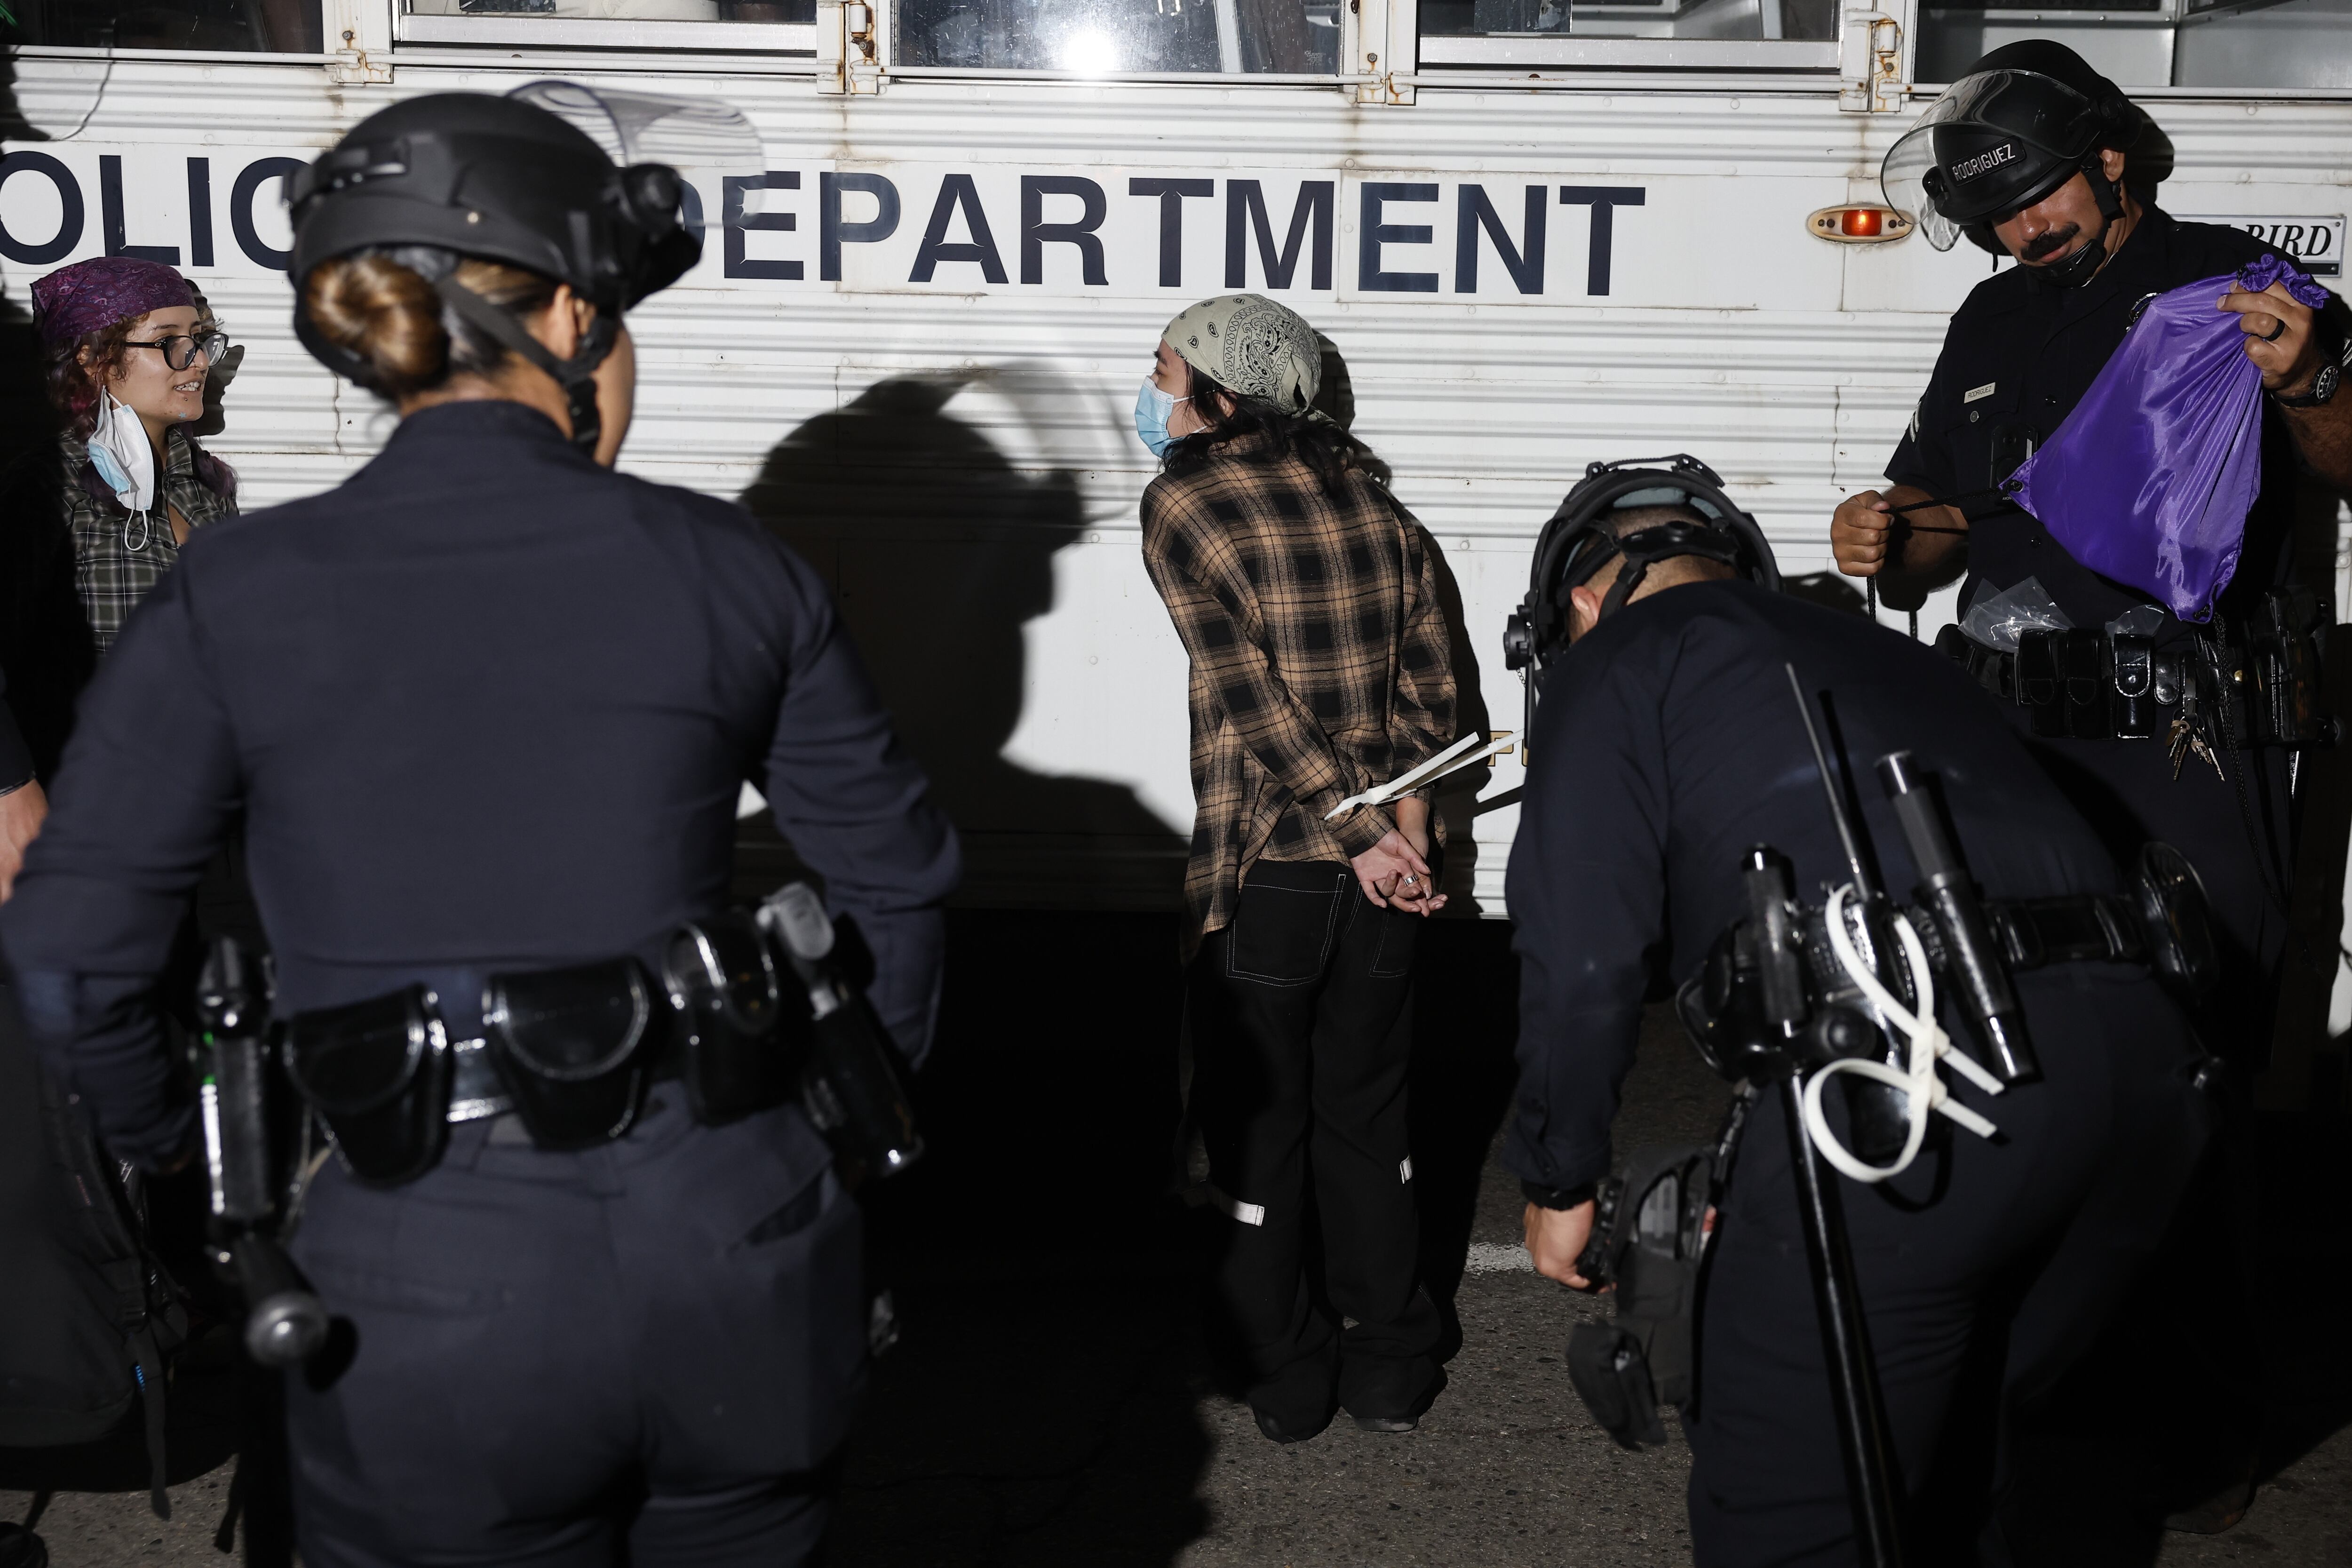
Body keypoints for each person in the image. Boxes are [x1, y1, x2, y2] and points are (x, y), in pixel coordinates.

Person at [0, 89, 959, 1567]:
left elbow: (71, 953)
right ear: (569, 313)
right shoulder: (730, 565)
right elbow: (894, 883)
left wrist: (209, 1189)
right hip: (740, 1245)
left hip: (414, 1270)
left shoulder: (245, 587)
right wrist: (825, 1154)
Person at [1829, 37, 2352, 1524]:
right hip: (2012, 751)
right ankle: (2028, 1390)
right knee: (2016, 1070)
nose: (2014, 234)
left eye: (2032, 198)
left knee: (2187, 1084)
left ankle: (2199, 1431)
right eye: (1989, 214)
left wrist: (2309, 373)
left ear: (2109, 154)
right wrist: (1888, 538)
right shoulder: (1992, 313)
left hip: (2183, 747)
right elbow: (1942, 520)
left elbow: (2348, 454)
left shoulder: (2233, 278)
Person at [1507, 471, 2211, 1563]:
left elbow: (1583, 956)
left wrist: (1557, 1177)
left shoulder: (1617, 660)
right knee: (1970, 1468)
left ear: (1581, 605)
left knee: (1797, 1517)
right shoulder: (1897, 658)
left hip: (1919, 1082)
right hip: (2143, 1065)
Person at [1137, 293, 1457, 1443]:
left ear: (1224, 392)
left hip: (1273, 864)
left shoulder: (1184, 501)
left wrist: (1354, 831)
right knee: (1369, 1119)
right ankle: (1392, 1364)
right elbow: (1435, 696)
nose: (1154, 392)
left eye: (1168, 373)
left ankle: (1285, 1374)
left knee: (1257, 1132)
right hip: (1385, 881)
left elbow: (1249, 700)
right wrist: (1405, 833)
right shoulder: (1374, 505)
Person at [33, 256, 238, 657]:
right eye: (167, 343)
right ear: (92, 360)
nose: (198, 360)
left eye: (198, 339)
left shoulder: (208, 484)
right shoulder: (47, 485)